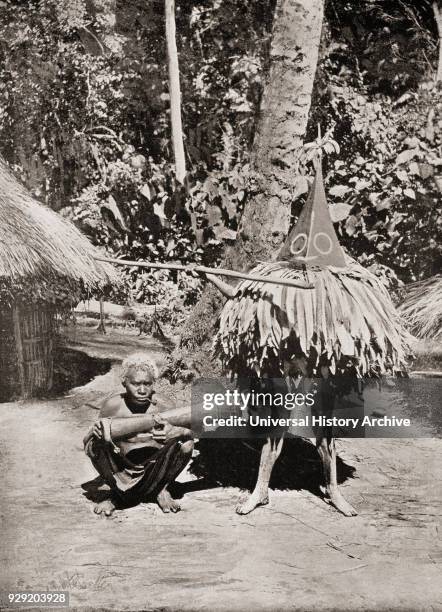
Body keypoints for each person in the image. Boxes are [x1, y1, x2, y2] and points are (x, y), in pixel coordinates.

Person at [84, 352, 193, 516]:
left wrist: (179, 431)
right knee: (94, 444)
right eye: (136, 384)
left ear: (153, 383)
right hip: (121, 467)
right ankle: (116, 494)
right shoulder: (113, 406)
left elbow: (191, 430)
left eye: (147, 384)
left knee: (187, 443)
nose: (142, 390)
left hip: (155, 466)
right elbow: (100, 434)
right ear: (124, 383)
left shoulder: (164, 405)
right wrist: (98, 432)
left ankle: (162, 489)